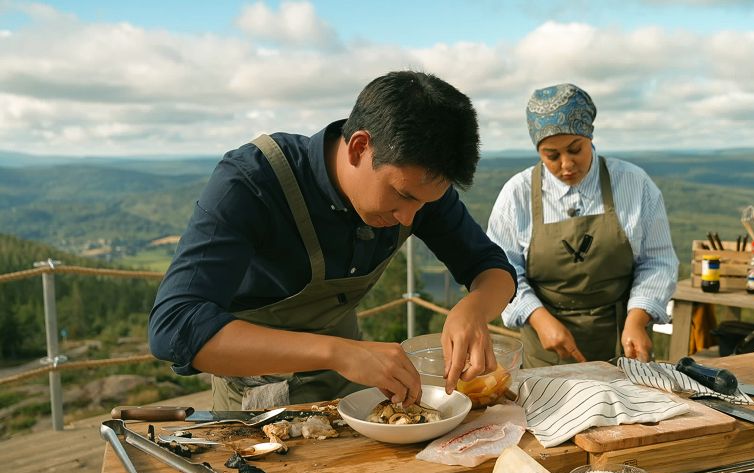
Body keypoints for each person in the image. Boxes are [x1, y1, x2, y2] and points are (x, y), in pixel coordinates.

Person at [149, 71, 516, 410]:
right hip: (254, 402)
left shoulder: (421, 189)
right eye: (402, 197)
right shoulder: (251, 182)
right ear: (359, 147)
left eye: (424, 204)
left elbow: (493, 269)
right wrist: (337, 352)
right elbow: (174, 326)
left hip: (354, 391)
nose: (409, 218)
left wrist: (474, 308)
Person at [487, 83, 677, 368]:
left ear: (589, 136)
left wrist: (638, 318)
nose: (566, 164)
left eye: (576, 149)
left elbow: (658, 261)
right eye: (551, 156)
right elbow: (502, 271)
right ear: (538, 151)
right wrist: (538, 319)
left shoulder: (635, 184)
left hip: (622, 344)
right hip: (545, 352)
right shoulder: (517, 195)